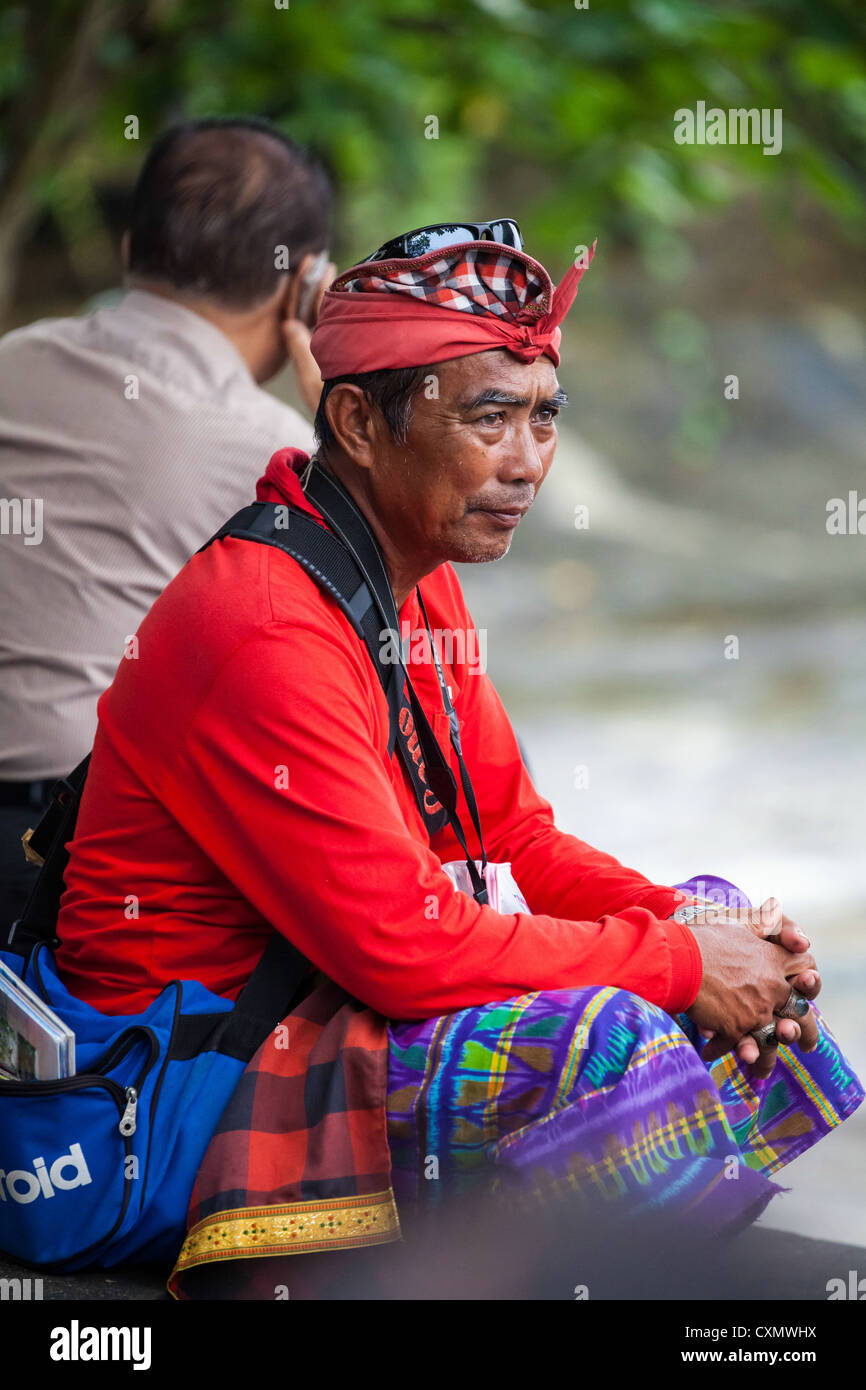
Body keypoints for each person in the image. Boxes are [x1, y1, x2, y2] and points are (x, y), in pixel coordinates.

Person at [49, 220, 862, 1295]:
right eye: (488, 418)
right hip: (196, 1081)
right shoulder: (260, 624)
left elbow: (511, 838)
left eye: (542, 417)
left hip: (330, 1001)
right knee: (611, 1035)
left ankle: (616, 1262)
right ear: (357, 421)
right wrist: (675, 963)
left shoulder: (411, 572)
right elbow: (401, 949)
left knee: (709, 911)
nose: (525, 462)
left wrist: (696, 928)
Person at [0, 116, 334, 932]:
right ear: (303, 286)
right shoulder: (274, 450)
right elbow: (393, 633)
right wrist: (344, 414)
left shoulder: (13, 359)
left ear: (127, 248)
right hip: (78, 864)